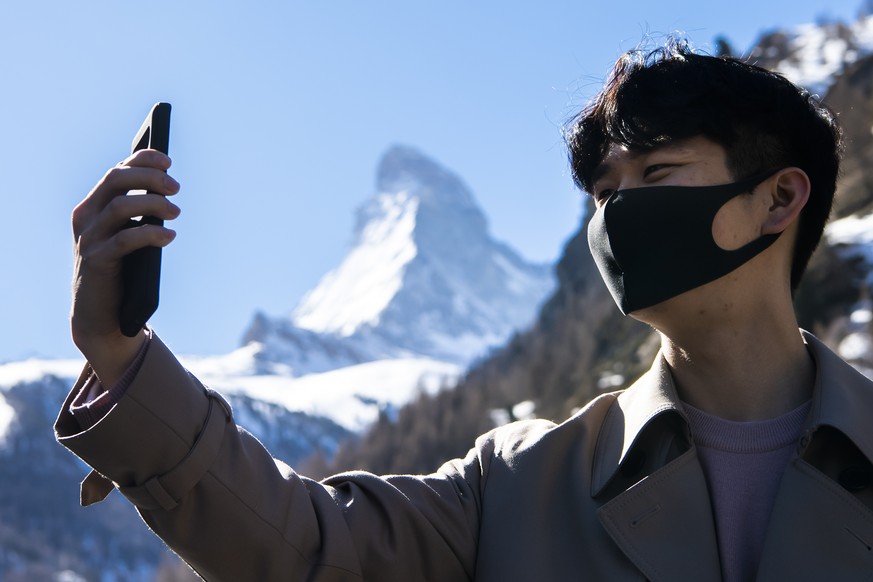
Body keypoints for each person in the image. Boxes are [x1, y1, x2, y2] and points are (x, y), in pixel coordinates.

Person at [56, 39, 873, 581]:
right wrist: (118, 353)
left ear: (779, 199)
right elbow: (301, 544)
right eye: (602, 194)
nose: (616, 216)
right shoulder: (517, 481)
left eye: (655, 177)